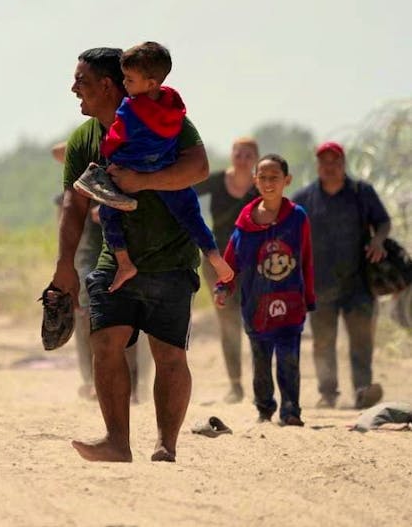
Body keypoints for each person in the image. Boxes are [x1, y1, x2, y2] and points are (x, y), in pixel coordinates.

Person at [52, 47, 209, 463]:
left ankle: (166, 444)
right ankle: (117, 442)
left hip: (171, 256)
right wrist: (63, 267)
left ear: (106, 85)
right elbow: (74, 206)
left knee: (169, 354)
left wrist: (144, 180)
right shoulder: (84, 139)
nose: (74, 90)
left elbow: (198, 168)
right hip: (114, 256)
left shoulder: (164, 117)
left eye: (81, 81)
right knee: (105, 340)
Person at [73, 42, 233, 293]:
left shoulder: (130, 108)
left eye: (129, 79)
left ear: (149, 83)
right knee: (191, 215)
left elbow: (117, 135)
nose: (124, 85)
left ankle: (124, 263)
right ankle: (214, 256)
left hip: (133, 166)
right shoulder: (173, 103)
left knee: (107, 211)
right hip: (166, 163)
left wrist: (109, 152)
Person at [214, 154, 315, 426]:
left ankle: (291, 409)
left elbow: (305, 258)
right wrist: (224, 286)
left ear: (287, 180)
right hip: (255, 305)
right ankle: (264, 408)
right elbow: (231, 259)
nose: (269, 183)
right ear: (255, 181)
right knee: (261, 361)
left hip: (291, 303)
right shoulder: (245, 221)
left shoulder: (297, 218)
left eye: (275, 178)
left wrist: (310, 297)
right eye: (264, 178)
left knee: (289, 359)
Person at [292, 141, 390, 409]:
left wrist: (378, 240)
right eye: (325, 162)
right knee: (323, 342)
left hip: (358, 282)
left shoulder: (362, 192)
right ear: (317, 166)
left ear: (344, 164)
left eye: (335, 162)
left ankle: (362, 392)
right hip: (319, 283)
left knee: (361, 341)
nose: (330, 167)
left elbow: (383, 221)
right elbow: (288, 229)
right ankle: (328, 393)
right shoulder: (304, 198)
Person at [51, 143, 150, 403]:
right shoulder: (77, 185)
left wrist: (111, 207)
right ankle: (91, 380)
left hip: (124, 255)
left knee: (127, 321)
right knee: (84, 317)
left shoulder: (123, 175)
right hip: (86, 257)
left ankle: (133, 385)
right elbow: (57, 152)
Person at [195, 138, 260, 403]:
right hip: (217, 261)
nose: (242, 158)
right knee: (228, 322)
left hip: (253, 263)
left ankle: (261, 384)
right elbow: (183, 193)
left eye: (248, 154)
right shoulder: (217, 180)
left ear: (255, 158)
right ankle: (235, 385)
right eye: (238, 153)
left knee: (256, 323)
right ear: (232, 155)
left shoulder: (261, 187)